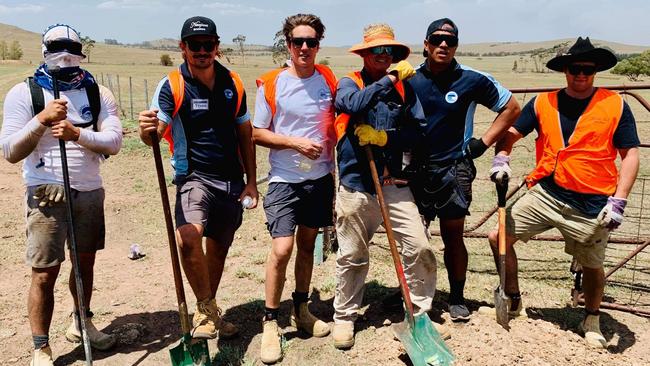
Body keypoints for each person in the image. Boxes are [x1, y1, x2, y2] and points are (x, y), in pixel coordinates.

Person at [486, 37, 640, 348]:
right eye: (574, 68)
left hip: (593, 202)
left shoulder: (615, 105)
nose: (581, 74)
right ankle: (513, 297)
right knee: (497, 237)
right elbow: (513, 133)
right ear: (565, 70)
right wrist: (502, 156)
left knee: (593, 265)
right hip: (547, 192)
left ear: (596, 70)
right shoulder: (544, 102)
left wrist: (619, 200)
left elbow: (631, 155)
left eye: (587, 69)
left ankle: (592, 317)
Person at [0, 24, 122, 365]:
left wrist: (76, 135)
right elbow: (10, 151)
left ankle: (82, 324)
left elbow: (113, 142)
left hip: (89, 190)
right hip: (46, 192)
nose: (65, 59)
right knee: (44, 271)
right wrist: (41, 119)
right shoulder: (24, 93)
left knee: (85, 263)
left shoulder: (98, 92)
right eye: (58, 52)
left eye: (71, 52)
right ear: (44, 52)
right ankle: (41, 347)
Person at [138, 16, 258, 341]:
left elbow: (245, 133)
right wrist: (147, 130)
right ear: (183, 48)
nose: (202, 51)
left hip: (232, 181)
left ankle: (207, 311)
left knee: (218, 248)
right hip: (193, 177)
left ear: (217, 47)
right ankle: (206, 310)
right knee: (188, 237)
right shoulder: (173, 85)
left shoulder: (233, 82)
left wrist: (251, 181)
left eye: (208, 45)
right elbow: (154, 135)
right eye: (195, 45)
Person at [332, 23, 442, 350]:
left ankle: (419, 315)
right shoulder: (349, 82)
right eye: (377, 50)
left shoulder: (405, 91)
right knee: (352, 253)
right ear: (365, 54)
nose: (383, 55)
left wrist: (385, 138)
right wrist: (389, 79)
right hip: (356, 184)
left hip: (391, 183)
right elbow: (350, 106)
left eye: (389, 51)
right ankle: (345, 317)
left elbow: (419, 133)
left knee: (420, 246)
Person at [407, 18, 521, 321]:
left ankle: (456, 297)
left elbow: (512, 108)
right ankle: (412, 294)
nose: (444, 45)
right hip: (416, 170)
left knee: (453, 236)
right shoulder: (409, 78)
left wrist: (482, 144)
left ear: (456, 46)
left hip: (454, 170)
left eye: (450, 41)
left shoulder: (472, 79)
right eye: (437, 39)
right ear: (426, 44)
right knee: (413, 237)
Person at [252, 13, 337, 364]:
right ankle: (270, 321)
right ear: (287, 45)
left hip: (319, 179)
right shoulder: (271, 83)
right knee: (282, 248)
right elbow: (256, 133)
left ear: (318, 45)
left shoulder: (329, 79)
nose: (304, 47)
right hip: (285, 180)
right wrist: (294, 143)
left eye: (311, 42)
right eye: (298, 41)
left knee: (307, 245)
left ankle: (300, 309)